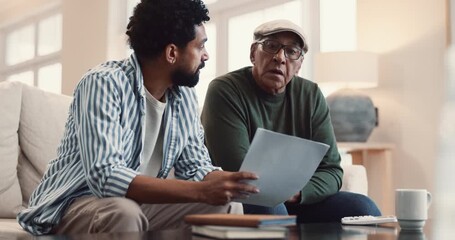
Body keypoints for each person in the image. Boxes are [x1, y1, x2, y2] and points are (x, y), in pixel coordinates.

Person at [17, 0, 259, 235]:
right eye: (200, 46)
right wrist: (200, 191)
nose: (205, 55)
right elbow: (106, 176)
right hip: (75, 204)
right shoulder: (103, 83)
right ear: (172, 52)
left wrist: (235, 183)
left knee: (228, 207)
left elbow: (195, 166)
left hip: (136, 203)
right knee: (124, 212)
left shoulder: (184, 96)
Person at [201, 19, 381, 222]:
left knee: (363, 207)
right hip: (242, 197)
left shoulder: (311, 95)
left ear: (299, 65)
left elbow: (331, 170)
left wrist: (299, 192)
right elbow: (239, 171)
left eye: (292, 51)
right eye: (270, 46)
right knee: (272, 208)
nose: (280, 57)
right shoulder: (225, 90)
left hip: (297, 200)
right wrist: (283, 189)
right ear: (253, 53)